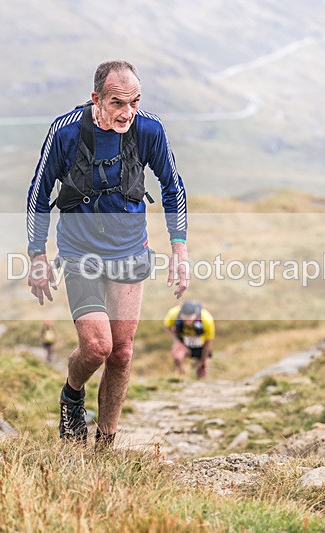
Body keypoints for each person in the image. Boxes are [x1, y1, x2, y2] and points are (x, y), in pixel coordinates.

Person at [25, 60, 189, 447]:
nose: (127, 112)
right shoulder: (64, 131)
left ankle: (104, 444)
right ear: (96, 98)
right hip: (80, 251)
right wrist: (37, 256)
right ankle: (72, 393)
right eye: (118, 102)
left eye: (134, 102)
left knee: (122, 353)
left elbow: (172, 186)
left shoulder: (148, 129)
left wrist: (179, 250)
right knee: (98, 347)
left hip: (130, 249)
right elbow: (39, 192)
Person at [163, 301, 215, 380]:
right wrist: (177, 342)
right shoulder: (173, 313)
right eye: (185, 319)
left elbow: (209, 341)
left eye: (190, 319)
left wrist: (203, 360)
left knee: (202, 368)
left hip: (201, 344)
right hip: (182, 341)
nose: (187, 322)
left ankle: (200, 384)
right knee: (177, 357)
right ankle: (181, 378)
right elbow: (167, 327)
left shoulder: (207, 319)